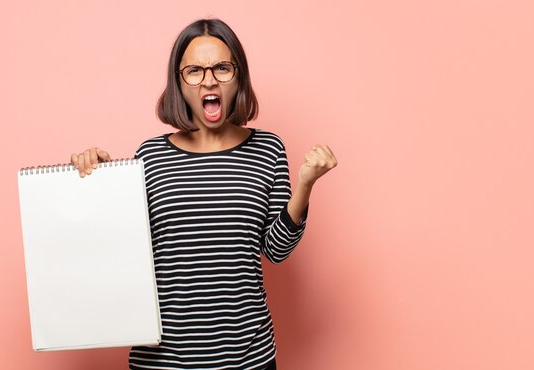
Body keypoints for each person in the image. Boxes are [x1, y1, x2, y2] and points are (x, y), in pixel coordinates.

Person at [71, 18, 337, 370]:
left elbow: (275, 251)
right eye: (194, 70)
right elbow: (120, 251)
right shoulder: (149, 156)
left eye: (222, 68)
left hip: (248, 358)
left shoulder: (268, 149)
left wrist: (305, 185)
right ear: (178, 83)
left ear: (238, 75)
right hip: (161, 361)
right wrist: (98, 181)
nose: (209, 80)